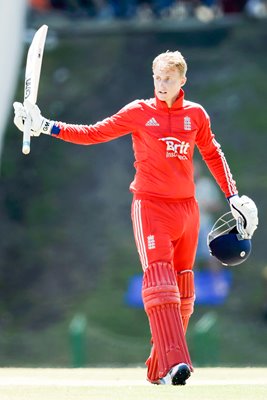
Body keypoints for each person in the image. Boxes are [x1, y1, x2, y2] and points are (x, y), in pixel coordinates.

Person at [13, 50, 258, 385]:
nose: (161, 84)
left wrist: (234, 196)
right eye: (157, 78)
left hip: (187, 210)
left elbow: (213, 153)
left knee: (184, 293)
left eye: (168, 79)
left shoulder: (196, 115)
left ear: (182, 81)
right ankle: (177, 364)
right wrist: (45, 125)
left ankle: (159, 369)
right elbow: (93, 133)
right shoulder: (139, 112)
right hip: (151, 207)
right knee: (160, 283)